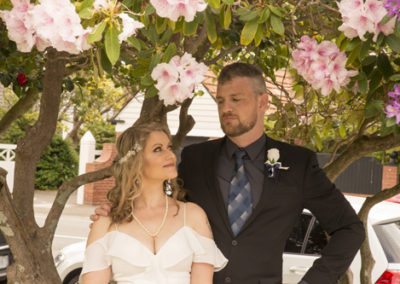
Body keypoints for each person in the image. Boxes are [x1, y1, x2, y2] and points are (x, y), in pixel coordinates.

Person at [93, 63, 365, 284]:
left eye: (236, 99)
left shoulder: (298, 164)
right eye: (221, 100)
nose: (226, 108)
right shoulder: (195, 159)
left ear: (263, 102)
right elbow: (160, 204)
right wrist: (115, 212)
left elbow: (349, 228)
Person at [81, 122, 227, 284]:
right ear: (135, 161)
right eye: (158, 149)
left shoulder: (193, 215)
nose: (170, 155)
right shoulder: (105, 222)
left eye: (169, 147)